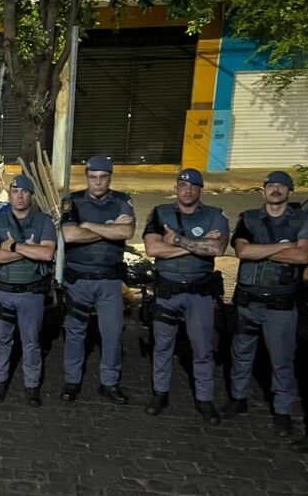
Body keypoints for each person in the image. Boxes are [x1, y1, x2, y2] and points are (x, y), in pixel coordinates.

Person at [222, 171, 307, 437]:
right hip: (248, 301)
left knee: (282, 360)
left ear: (289, 191)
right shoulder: (248, 218)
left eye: (282, 185)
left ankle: (282, 412)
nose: (275, 189)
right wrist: (284, 247)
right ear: (263, 191)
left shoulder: (301, 219)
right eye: (271, 185)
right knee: (241, 354)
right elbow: (243, 251)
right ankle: (238, 398)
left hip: (280, 304)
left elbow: (302, 255)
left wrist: (264, 250)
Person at [142, 168, 229, 425]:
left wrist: (177, 240)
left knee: (203, 348)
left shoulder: (215, 215)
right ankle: (160, 394)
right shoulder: (160, 212)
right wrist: (196, 247)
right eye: (182, 185)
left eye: (193, 186)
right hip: (167, 290)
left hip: (199, 292)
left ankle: (204, 399)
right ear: (176, 188)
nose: (187, 190)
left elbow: (218, 247)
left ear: (200, 189)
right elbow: (152, 247)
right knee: (162, 346)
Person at [60, 155, 134, 404]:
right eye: (93, 177)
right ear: (87, 177)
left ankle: (109, 383)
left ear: (110, 177)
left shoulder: (122, 200)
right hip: (78, 280)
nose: (98, 182)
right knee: (75, 333)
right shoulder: (72, 201)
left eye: (103, 177)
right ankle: (72, 382)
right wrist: (109, 229)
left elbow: (127, 231)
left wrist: (89, 225)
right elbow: (69, 235)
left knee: (112, 334)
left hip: (110, 280)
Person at [0, 175, 56, 406]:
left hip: (32, 292)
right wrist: (28, 250)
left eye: (24, 192)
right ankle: (0, 382)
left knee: (31, 341)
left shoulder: (44, 221)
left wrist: (14, 246)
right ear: (10, 195)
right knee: (2, 339)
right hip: (4, 291)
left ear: (31, 196)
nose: (20, 196)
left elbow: (47, 254)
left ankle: (32, 385)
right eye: (15, 192)